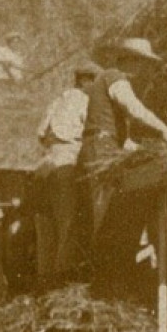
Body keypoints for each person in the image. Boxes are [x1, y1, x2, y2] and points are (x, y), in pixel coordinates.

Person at [77, 37, 167, 236]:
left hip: (103, 145)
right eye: (143, 62)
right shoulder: (114, 77)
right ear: (130, 59)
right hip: (101, 148)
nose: (143, 69)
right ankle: (104, 263)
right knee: (104, 212)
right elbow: (133, 108)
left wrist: (140, 149)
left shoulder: (107, 81)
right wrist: (164, 129)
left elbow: (120, 134)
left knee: (106, 210)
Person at [33, 62, 99, 283]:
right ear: (86, 80)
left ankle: (45, 281)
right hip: (67, 161)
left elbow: (41, 133)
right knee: (68, 226)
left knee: (46, 229)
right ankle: (63, 285)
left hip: (45, 163)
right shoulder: (86, 100)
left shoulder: (59, 98)